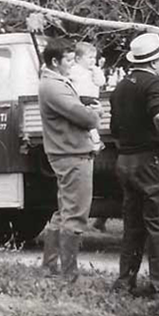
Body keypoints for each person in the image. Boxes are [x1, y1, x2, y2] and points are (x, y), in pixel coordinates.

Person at [109, 32, 159, 309]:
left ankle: (124, 283)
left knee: (133, 227)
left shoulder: (121, 87)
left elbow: (114, 128)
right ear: (154, 61)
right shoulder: (155, 84)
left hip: (126, 161)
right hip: (153, 163)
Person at [37, 38, 102, 281]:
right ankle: (69, 275)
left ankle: (51, 267)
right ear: (55, 61)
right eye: (68, 59)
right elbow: (84, 118)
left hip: (66, 152)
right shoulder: (54, 86)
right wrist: (95, 113)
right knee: (75, 215)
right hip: (72, 153)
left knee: (63, 213)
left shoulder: (54, 83)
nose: (72, 64)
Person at [68, 42, 107, 152]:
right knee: (85, 121)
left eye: (94, 57)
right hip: (80, 98)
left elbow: (101, 82)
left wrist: (96, 71)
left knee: (93, 120)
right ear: (78, 59)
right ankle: (93, 140)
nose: (92, 60)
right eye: (89, 57)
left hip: (93, 98)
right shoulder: (75, 69)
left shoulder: (95, 70)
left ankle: (95, 140)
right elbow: (67, 77)